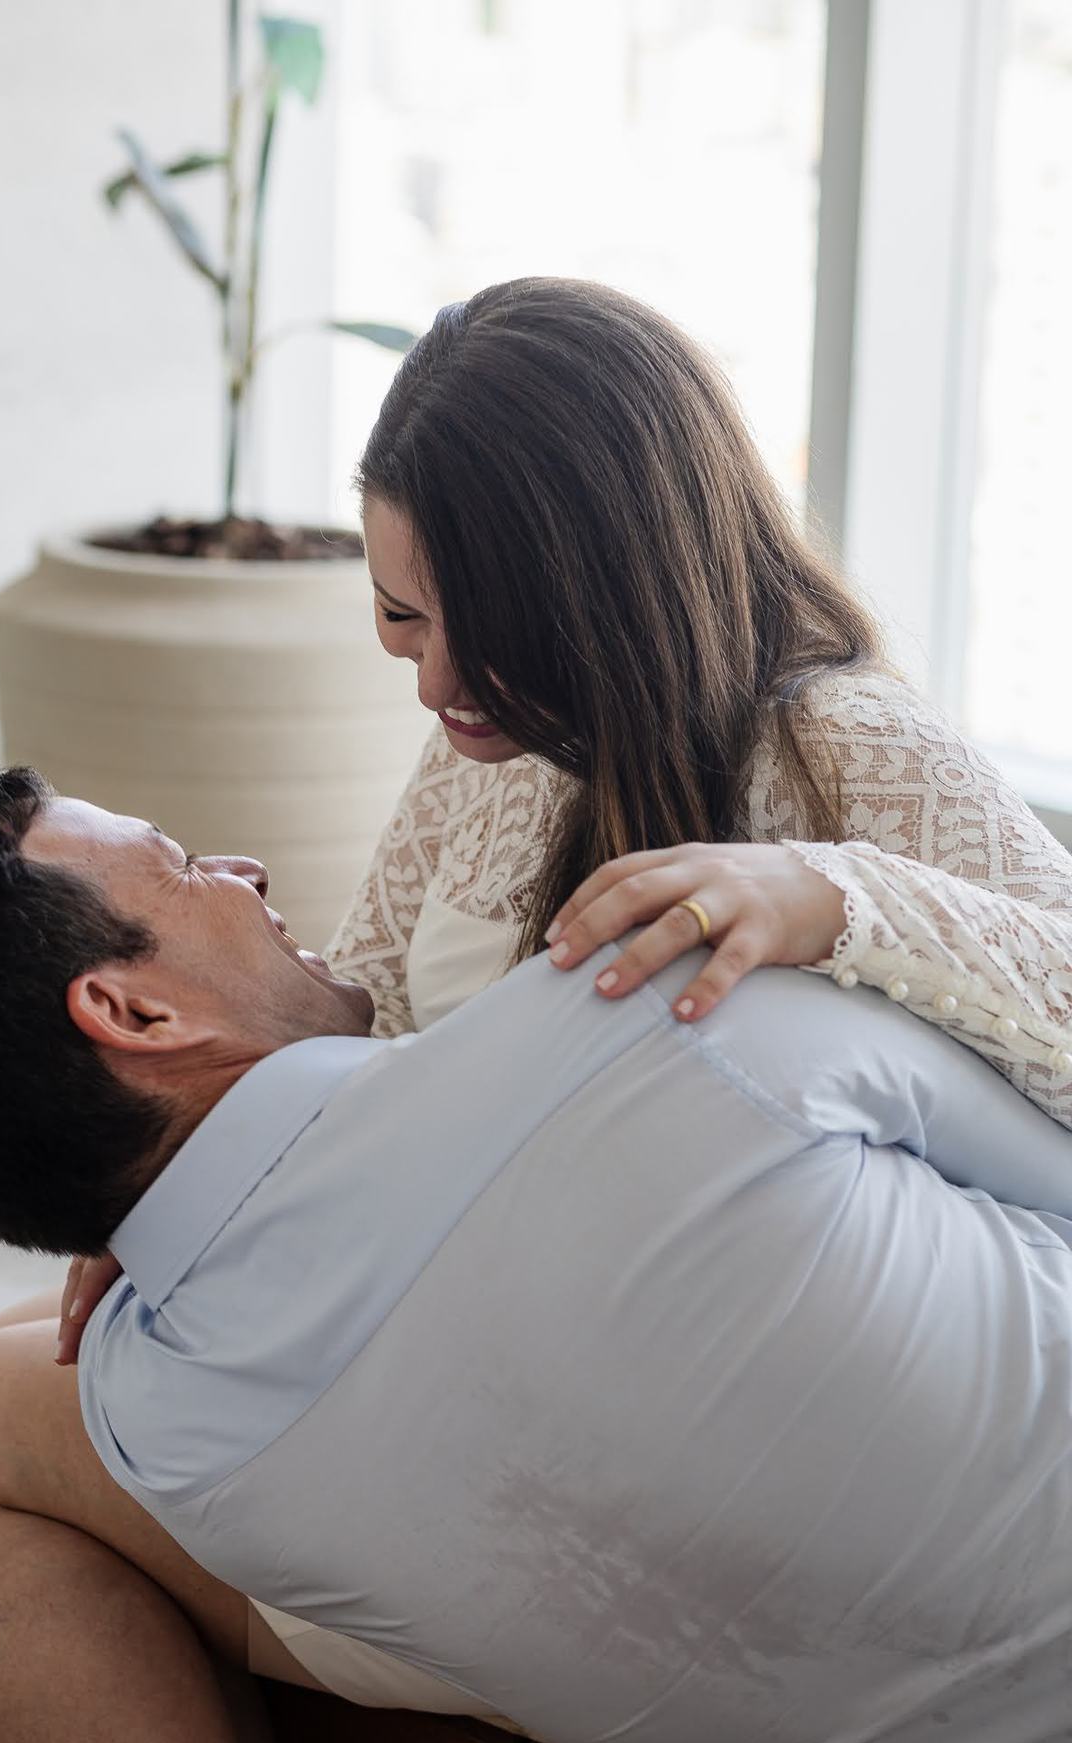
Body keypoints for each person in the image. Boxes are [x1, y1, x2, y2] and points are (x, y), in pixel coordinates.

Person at [0, 770, 1072, 1743]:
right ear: (131, 1010)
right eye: (182, 869)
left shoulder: (163, 1437)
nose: (240, 869)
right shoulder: (652, 996)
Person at [327, 275, 1072, 1133]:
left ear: (632, 594)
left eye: (501, 635)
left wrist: (835, 901)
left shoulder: (845, 744)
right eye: (400, 614)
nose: (436, 686)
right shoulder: (496, 728)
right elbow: (367, 1015)